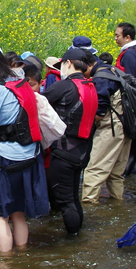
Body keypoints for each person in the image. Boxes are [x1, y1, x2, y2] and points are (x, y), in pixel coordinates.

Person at [0, 46, 49, 251]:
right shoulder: (21, 84)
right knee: (19, 213)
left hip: (5, 160)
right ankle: (22, 258)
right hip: (31, 155)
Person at [42, 48, 98, 234]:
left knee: (66, 201)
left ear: (69, 63)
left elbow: (37, 104)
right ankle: (78, 239)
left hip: (63, 152)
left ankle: (73, 240)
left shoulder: (63, 86)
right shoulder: (91, 86)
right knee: (73, 197)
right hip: (82, 152)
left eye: (62, 65)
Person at [82, 49, 128, 204]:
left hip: (112, 128)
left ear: (88, 65)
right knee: (116, 173)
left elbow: (100, 111)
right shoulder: (113, 70)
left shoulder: (100, 78)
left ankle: (89, 207)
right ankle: (117, 203)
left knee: (94, 170)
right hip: (127, 126)